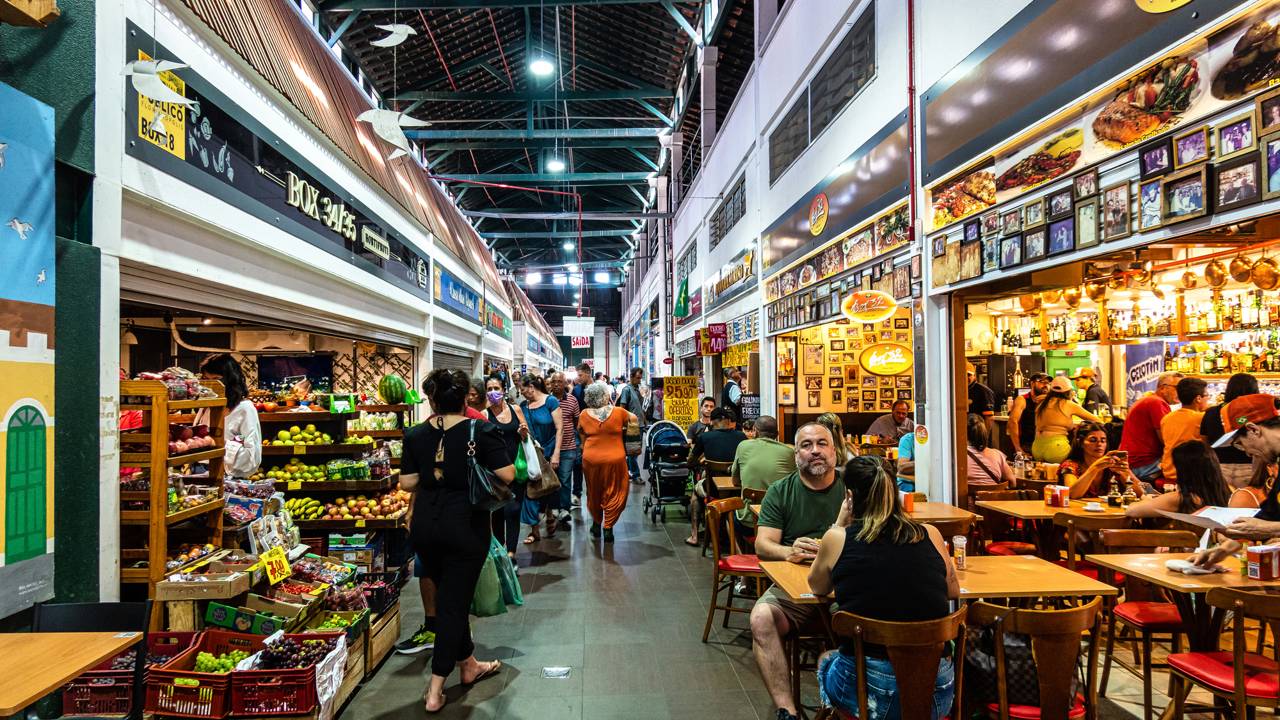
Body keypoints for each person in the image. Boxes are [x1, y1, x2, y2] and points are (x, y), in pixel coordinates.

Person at [808, 457, 959, 719]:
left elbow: (817, 585)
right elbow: (952, 591)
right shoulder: (930, 533)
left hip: (873, 695)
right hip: (936, 691)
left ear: (850, 496)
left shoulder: (838, 538)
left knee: (825, 662)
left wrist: (840, 521)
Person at [399, 369, 514, 713]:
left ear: (432, 401)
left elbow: (406, 483)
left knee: (449, 595)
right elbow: (508, 474)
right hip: (465, 526)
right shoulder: (481, 430)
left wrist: (433, 472)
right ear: (467, 399)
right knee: (453, 605)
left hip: (425, 528)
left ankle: (470, 664)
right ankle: (435, 689)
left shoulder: (415, 434)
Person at [750, 423, 849, 720]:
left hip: (849, 582)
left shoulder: (853, 489)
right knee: (761, 618)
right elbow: (763, 544)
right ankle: (788, 710)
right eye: (806, 445)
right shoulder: (781, 491)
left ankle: (851, 701)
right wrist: (789, 551)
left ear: (834, 451)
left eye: (822, 443)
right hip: (796, 584)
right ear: (796, 454)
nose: (815, 451)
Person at [579, 381, 635, 542]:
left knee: (594, 491)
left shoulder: (584, 414)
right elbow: (634, 419)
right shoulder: (619, 412)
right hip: (615, 459)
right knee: (616, 490)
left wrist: (586, 448)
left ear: (589, 397)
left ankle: (596, 523)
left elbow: (582, 434)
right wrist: (631, 440)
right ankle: (608, 527)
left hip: (591, 459)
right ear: (605, 396)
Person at [685, 407, 749, 547]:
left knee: (695, 494)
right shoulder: (741, 437)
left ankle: (694, 536)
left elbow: (690, 461)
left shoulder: (705, 437)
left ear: (712, 422)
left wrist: (702, 461)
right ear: (727, 421)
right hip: (736, 488)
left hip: (713, 489)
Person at [483, 376, 529, 561]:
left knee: (514, 510)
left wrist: (524, 433)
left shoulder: (515, 409)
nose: (493, 391)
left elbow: (526, 436)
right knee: (497, 513)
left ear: (503, 389)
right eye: (489, 388)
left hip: (516, 467)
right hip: (495, 471)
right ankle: (501, 549)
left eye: (496, 387)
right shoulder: (485, 415)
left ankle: (511, 553)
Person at [1125, 440, 1229, 519]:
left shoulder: (1183, 499)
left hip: (1186, 546)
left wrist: (1147, 499)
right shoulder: (1228, 491)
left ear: (1183, 470)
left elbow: (1131, 511)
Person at [199, 354, 261, 480]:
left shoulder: (244, 409)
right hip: (198, 474)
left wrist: (217, 444)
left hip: (229, 479)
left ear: (230, 380)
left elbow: (252, 458)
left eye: (216, 379)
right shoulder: (205, 407)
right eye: (206, 379)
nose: (210, 386)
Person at [731, 415, 796, 534]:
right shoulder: (789, 452)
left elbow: (735, 481)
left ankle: (741, 550)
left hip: (750, 521)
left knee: (730, 518)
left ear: (755, 430)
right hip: (782, 522)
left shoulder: (743, 446)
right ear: (777, 433)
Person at [518, 375, 562, 545]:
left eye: (523, 390)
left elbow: (559, 429)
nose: (522, 394)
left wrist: (556, 453)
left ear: (531, 386)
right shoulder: (523, 406)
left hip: (550, 450)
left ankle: (550, 514)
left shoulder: (550, 402)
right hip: (531, 451)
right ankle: (534, 530)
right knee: (531, 489)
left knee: (548, 487)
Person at [1119, 371, 1184, 481]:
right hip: (1143, 464)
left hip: (1131, 462)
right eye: (1178, 387)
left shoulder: (1148, 400)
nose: (1182, 392)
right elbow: (1167, 440)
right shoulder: (1157, 403)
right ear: (1163, 388)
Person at [1201, 373, 1259, 489]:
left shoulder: (1212, 412)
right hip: (1250, 466)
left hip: (1219, 467)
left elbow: (1204, 441)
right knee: (1247, 504)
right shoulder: (1257, 414)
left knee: (1221, 504)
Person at [1058, 421, 1143, 499]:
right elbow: (1072, 495)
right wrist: (1095, 468)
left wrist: (1126, 473)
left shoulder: (1112, 465)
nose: (1099, 444)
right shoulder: (1070, 465)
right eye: (1093, 440)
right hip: (1078, 513)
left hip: (1110, 513)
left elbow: (1141, 494)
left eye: (1103, 440)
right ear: (1080, 443)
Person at [1033, 375, 1102, 463]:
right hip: (1057, 448)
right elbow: (1097, 420)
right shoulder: (1068, 404)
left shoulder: (1042, 403)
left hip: (1037, 448)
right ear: (1068, 391)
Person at [1160, 377, 1208, 481]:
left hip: (1168, 472)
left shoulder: (1167, 418)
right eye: (1207, 396)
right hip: (1192, 475)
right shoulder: (1202, 418)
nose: (1208, 399)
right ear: (1198, 398)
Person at [548, 371, 580, 526]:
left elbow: (576, 422)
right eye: (553, 381)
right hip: (550, 448)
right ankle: (553, 507)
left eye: (559, 381)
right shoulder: (546, 400)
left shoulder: (573, 400)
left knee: (565, 480)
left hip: (568, 447)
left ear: (565, 383)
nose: (556, 384)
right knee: (552, 481)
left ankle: (564, 509)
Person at [965, 412, 1014, 487]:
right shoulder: (997, 455)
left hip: (967, 498)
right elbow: (1013, 482)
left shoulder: (958, 457)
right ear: (984, 432)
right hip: (993, 498)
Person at [616, 367, 647, 483]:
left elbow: (640, 408)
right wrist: (623, 424)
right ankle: (636, 475)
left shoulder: (637, 390)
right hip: (631, 426)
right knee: (632, 452)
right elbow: (622, 408)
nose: (640, 380)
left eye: (640, 378)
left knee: (635, 451)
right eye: (638, 378)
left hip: (639, 425)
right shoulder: (627, 390)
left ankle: (627, 471)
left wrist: (644, 421)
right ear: (632, 377)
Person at [1008, 372, 1050, 457]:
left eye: (1048, 383)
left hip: (1048, 445)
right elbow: (1012, 421)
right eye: (1042, 382)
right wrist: (1018, 448)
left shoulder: (1051, 401)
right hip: (1027, 446)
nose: (1046, 385)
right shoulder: (1022, 399)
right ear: (1032, 383)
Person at [967, 362, 997, 437]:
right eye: (963, 374)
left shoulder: (983, 391)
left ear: (974, 376)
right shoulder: (958, 390)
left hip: (978, 434)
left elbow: (989, 418)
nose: (966, 377)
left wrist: (984, 438)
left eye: (969, 375)